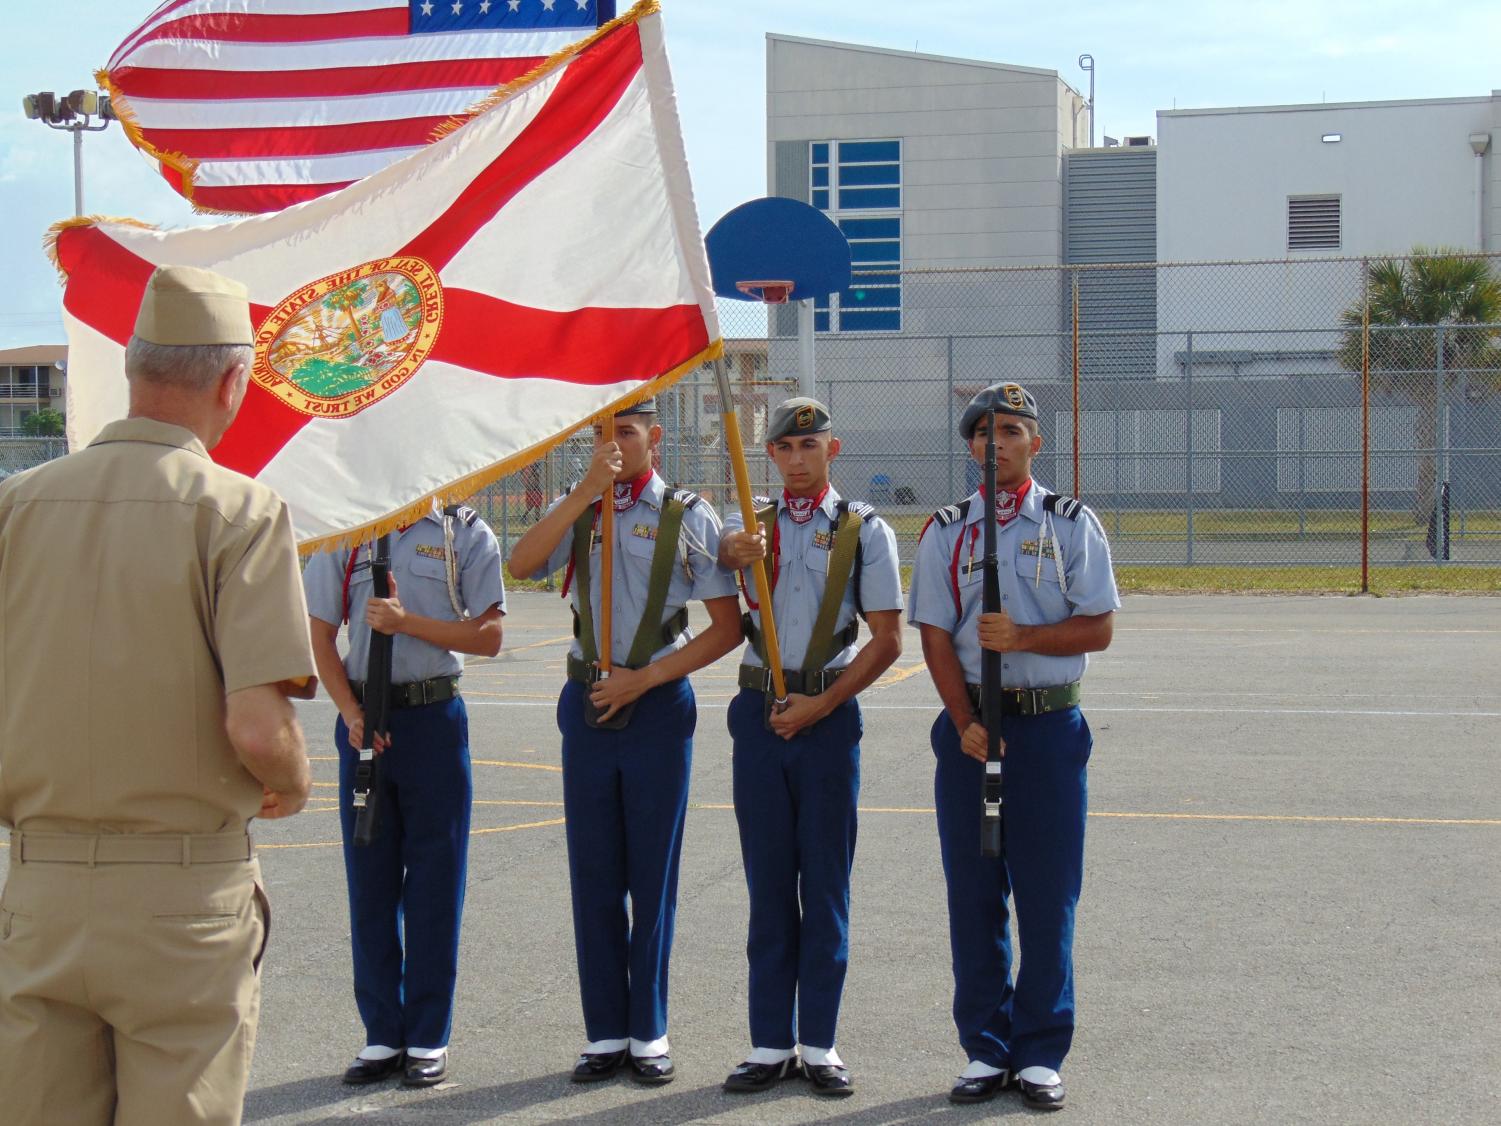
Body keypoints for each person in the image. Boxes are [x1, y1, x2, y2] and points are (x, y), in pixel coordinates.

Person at [0, 264, 316, 1126]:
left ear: (135, 369)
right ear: (232, 381)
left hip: (42, 885)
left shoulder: (17, 504)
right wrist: (293, 779)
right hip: (181, 897)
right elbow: (256, 726)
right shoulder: (240, 511)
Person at [506, 399, 742, 1086]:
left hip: (655, 703)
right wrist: (583, 490)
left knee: (652, 875)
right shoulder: (580, 505)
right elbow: (522, 564)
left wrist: (646, 680)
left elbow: (724, 629)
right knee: (595, 875)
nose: (611, 445)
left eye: (626, 432)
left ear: (655, 438)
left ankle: (649, 1030)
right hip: (586, 702)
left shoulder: (686, 514)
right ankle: (604, 1030)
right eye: (600, 435)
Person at [908, 381, 1119, 1112]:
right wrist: (962, 717)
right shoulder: (948, 529)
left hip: (1047, 729)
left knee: (1046, 893)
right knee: (973, 894)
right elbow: (934, 632)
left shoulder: (1069, 523)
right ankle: (984, 1048)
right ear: (969, 447)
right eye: (981, 434)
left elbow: (1097, 626)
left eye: (1009, 431)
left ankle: (1039, 1051)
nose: (993, 444)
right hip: (972, 732)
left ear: (1034, 441)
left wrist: (1024, 637)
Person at [715, 397, 904, 1098]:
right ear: (769, 457)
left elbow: (887, 639)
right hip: (759, 713)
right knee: (768, 887)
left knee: (823, 886)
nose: (797, 460)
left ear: (834, 449)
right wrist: (726, 553)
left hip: (825, 718)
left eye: (810, 447)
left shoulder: (862, 531)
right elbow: (708, 597)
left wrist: (821, 705)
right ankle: (768, 1042)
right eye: (784, 449)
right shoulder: (746, 530)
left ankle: (818, 1042)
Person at [303, 495, 506, 1088]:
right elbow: (321, 632)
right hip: (366, 719)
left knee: (435, 884)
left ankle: (427, 1036)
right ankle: (382, 1033)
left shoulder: (462, 531)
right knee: (370, 880)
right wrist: (350, 711)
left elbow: (489, 635)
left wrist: (405, 622)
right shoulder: (346, 529)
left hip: (432, 718)